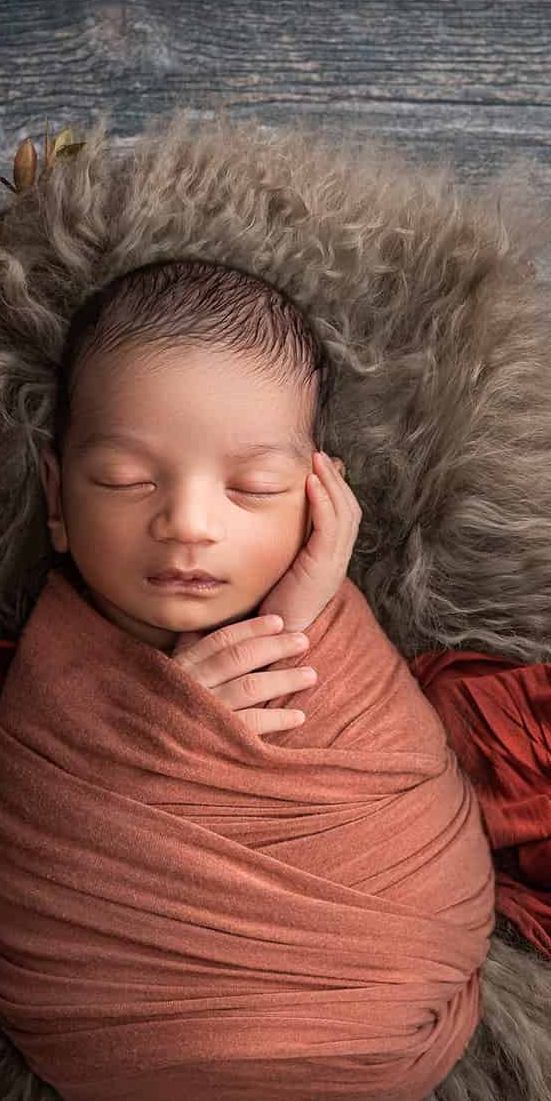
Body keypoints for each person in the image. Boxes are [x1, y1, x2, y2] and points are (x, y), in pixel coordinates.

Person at [36, 257, 364, 740]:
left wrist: (295, 618)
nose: (188, 524)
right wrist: (155, 747)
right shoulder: (51, 675)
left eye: (255, 487)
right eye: (125, 480)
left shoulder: (348, 651)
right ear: (57, 499)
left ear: (324, 503)